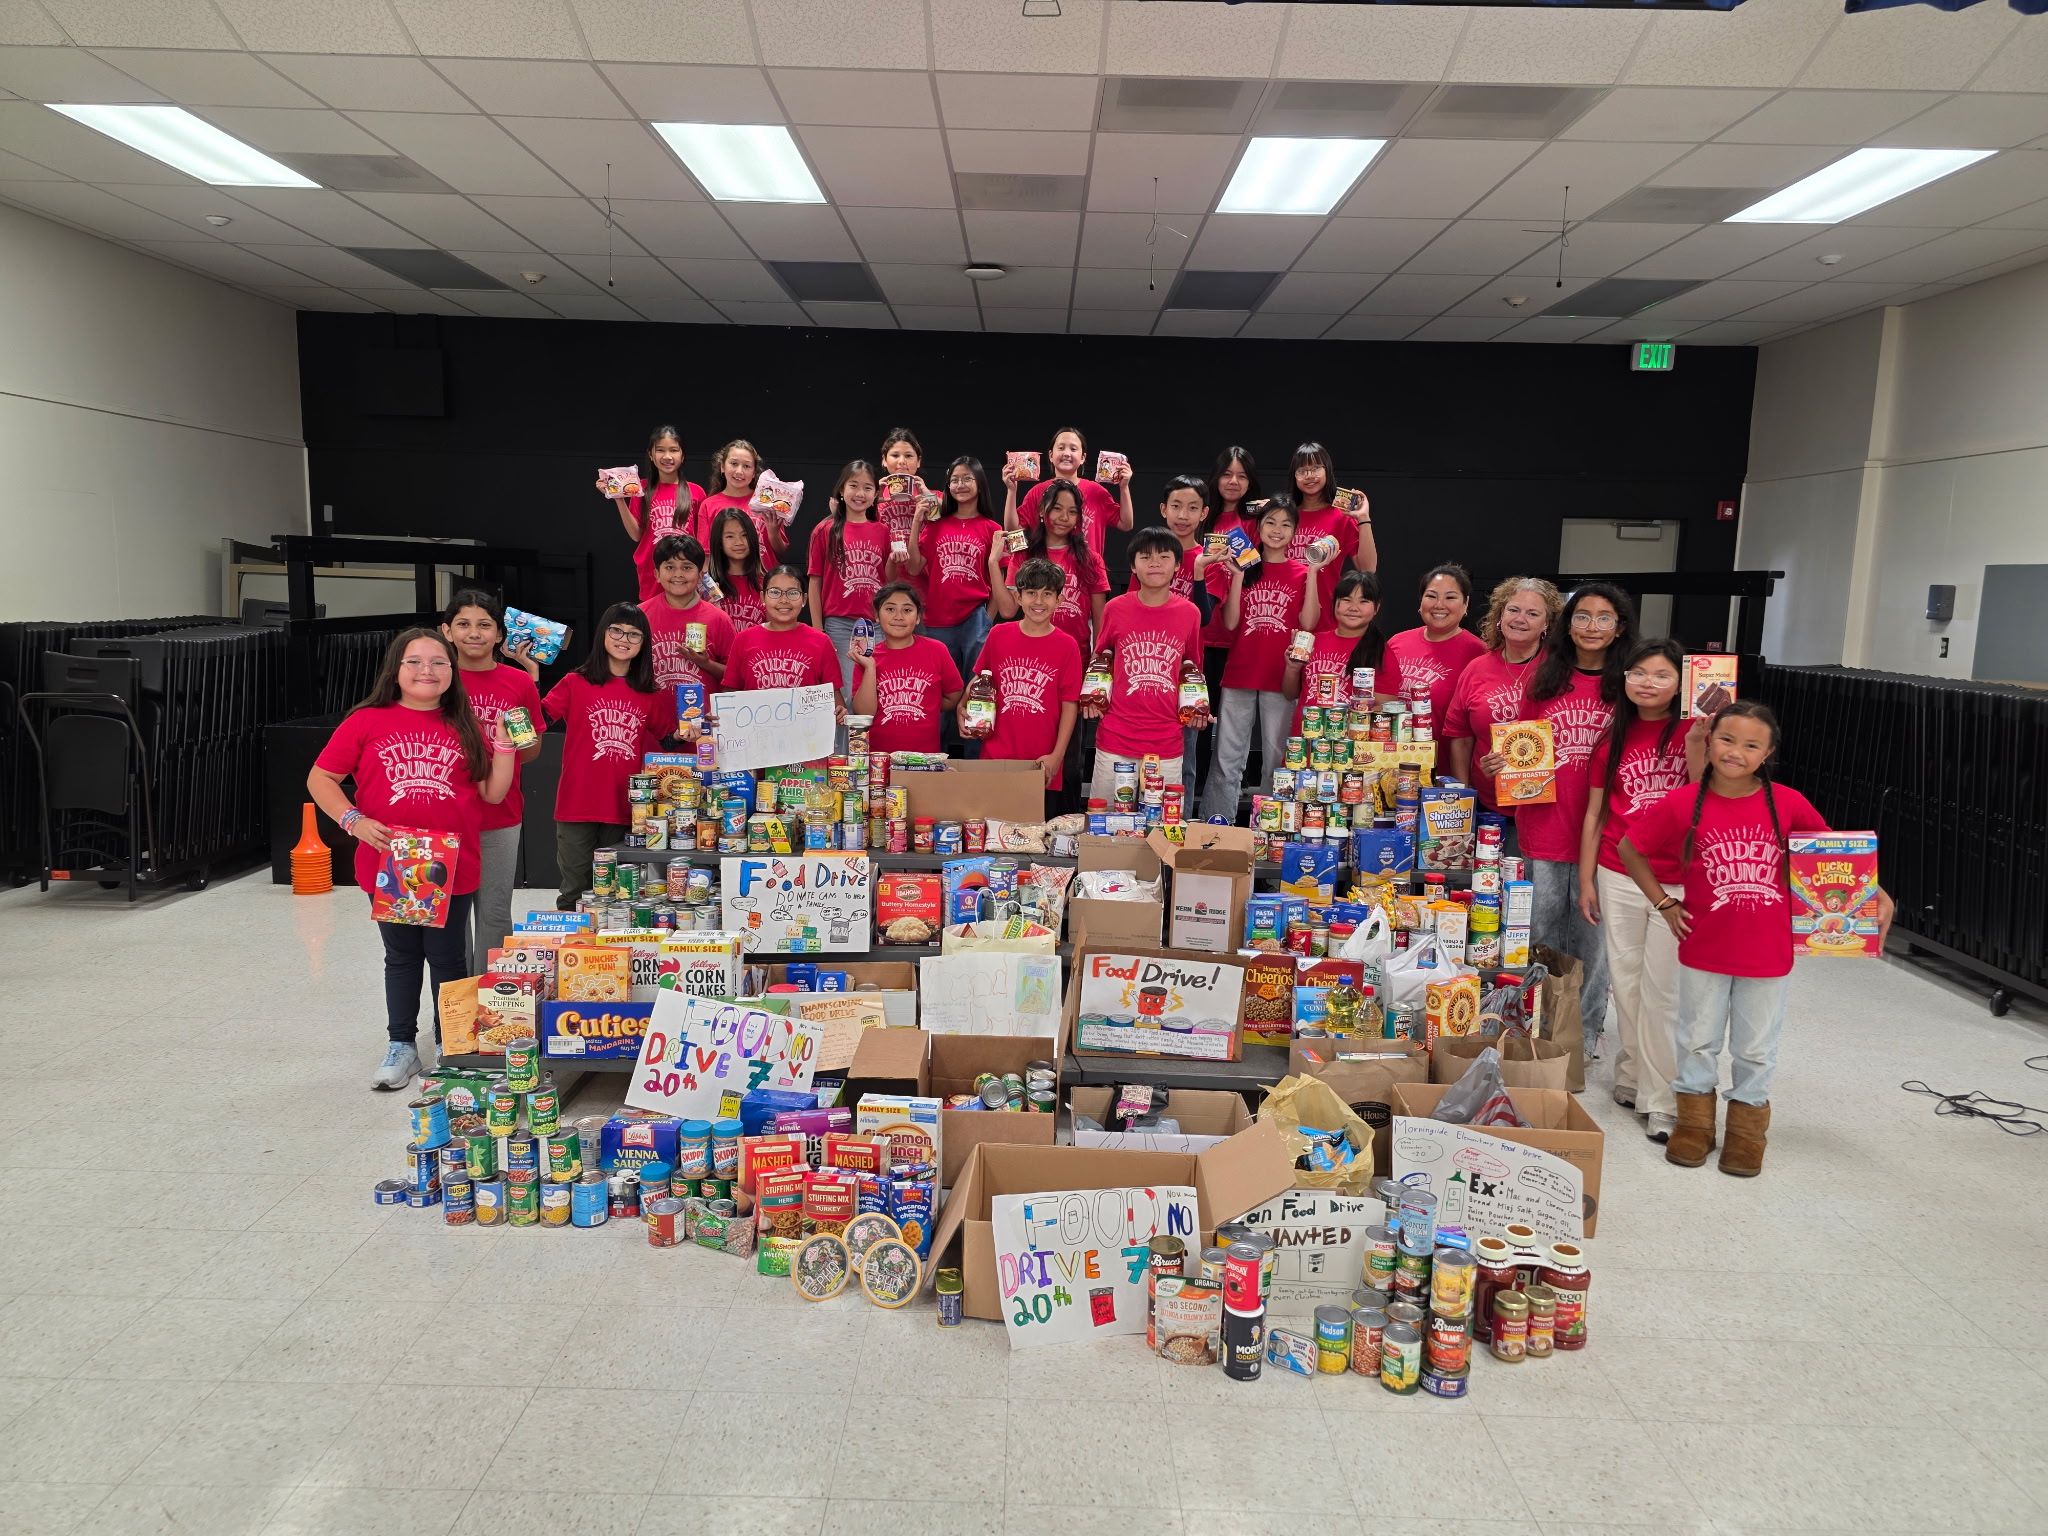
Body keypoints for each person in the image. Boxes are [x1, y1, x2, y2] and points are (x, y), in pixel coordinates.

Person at [1621, 701, 1893, 1177]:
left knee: (1755, 1047)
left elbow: (1835, 857)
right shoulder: (1683, 802)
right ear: (1709, 741)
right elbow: (1630, 847)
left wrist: (1877, 894)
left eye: (1751, 745)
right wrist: (1665, 904)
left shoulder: (1788, 803)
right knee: (1697, 1040)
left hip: (1768, 951)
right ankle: (1695, 1125)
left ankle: (1747, 1134)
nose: (1736, 752)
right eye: (1727, 740)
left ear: (1767, 753)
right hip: (1705, 946)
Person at [307, 628, 515, 1090]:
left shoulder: (467, 724)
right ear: (395, 670)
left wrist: (504, 747)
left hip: (449, 862)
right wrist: (353, 820)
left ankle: (451, 1042)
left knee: (448, 958)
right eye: (415, 661)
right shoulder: (366, 720)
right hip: (391, 862)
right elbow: (321, 778)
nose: (428, 670)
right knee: (400, 956)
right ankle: (402, 1045)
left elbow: (493, 793)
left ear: (452, 671)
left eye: (439, 662)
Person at [1580, 639, 1699, 1143]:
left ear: (1682, 684)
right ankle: (1631, 1074)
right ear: (1624, 680)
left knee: (1663, 994)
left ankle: (1663, 1101)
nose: (1648, 682)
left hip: (1678, 878)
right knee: (1625, 985)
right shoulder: (1612, 739)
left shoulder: (1699, 733)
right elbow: (1596, 814)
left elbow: (1706, 799)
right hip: (1618, 870)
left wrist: (1699, 748)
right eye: (1638, 673)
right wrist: (1586, 878)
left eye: (1662, 674)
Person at [1513, 583, 1636, 1060]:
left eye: (1604, 618)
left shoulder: (1630, 686)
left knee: (1594, 945)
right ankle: (1538, 1032)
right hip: (1543, 827)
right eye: (1581, 617)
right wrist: (1500, 765)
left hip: (1605, 838)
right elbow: (1518, 750)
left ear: (1620, 627)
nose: (1591, 627)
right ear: (1567, 624)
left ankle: (1582, 1040)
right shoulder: (1544, 679)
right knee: (1540, 937)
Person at [541, 604, 677, 911]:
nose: (624, 638)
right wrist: (527, 680)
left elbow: (669, 739)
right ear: (603, 633)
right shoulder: (575, 683)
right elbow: (540, 719)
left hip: (625, 807)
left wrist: (690, 732)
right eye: (616, 630)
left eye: (634, 634)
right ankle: (574, 956)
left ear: (644, 644)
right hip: (576, 804)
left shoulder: (649, 693)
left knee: (618, 894)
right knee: (575, 891)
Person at [438, 589, 543, 969]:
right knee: (449, 917)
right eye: (463, 624)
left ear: (500, 634)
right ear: (446, 631)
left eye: (485, 625)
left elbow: (531, 753)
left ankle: (492, 1000)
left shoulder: (518, 682)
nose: (474, 633)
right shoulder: (435, 680)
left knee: (495, 912)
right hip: (445, 815)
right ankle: (454, 1002)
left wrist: (512, 740)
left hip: (501, 813)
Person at [1201, 499, 1319, 824]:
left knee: (1276, 763)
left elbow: (1309, 623)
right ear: (1259, 527)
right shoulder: (1246, 566)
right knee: (1226, 760)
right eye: (1270, 522)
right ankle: (1216, 831)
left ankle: (1269, 835)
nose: (1277, 530)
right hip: (1239, 673)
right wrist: (1237, 576)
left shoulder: (1300, 571)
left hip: (1281, 677)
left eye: (1285, 524)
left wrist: (1312, 573)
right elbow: (1229, 624)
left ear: (1295, 531)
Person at [1081, 527, 1204, 806]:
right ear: (1132, 566)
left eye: (1164, 556)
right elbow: (1101, 660)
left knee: (1162, 829)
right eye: (1145, 557)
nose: (1155, 563)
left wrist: (1197, 709)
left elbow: (1192, 669)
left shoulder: (1190, 613)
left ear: (1177, 566)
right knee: (1105, 825)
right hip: (1116, 736)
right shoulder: (1115, 608)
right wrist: (1092, 698)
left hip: (1166, 740)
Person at [1440, 577, 1563, 819]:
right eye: (1513, 610)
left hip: (1548, 812)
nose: (1520, 619)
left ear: (1547, 623)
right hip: (1488, 809)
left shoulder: (1562, 669)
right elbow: (1460, 738)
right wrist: (1465, 802)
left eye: (1532, 613)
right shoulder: (1476, 669)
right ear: (1500, 616)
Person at [968, 557, 1081, 790]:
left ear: (1059, 600)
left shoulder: (1067, 645)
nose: (1038, 601)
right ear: (1018, 597)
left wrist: (1056, 757)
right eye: (1031, 593)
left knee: (1036, 827)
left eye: (1047, 594)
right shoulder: (998, 634)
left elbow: (1070, 705)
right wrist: (962, 707)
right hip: (995, 756)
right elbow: (980, 680)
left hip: (1041, 761)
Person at [907, 455, 1008, 681]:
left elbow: (998, 578)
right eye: (954, 480)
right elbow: (914, 568)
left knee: (974, 688)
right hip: (938, 619)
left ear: (980, 483)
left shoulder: (992, 528)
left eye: (967, 479)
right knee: (941, 689)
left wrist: (987, 618)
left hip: (975, 617)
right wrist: (916, 523)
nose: (960, 485)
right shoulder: (936, 525)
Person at [1197, 448, 1263, 778]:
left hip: (1243, 635)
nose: (1233, 482)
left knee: (1232, 727)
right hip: (1202, 635)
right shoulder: (1200, 515)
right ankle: (1189, 791)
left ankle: (1221, 794)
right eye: (1227, 474)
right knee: (1196, 716)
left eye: (1241, 475)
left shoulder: (1259, 521)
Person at [807, 459, 893, 694]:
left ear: (876, 494)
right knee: (845, 695)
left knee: (876, 692)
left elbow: (889, 581)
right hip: (839, 625)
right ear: (842, 491)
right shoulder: (824, 530)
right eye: (853, 485)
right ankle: (843, 734)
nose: (860, 493)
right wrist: (818, 630)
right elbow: (815, 582)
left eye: (868, 488)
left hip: (877, 625)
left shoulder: (883, 531)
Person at [854, 583, 964, 755]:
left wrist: (928, 703)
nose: (898, 616)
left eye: (907, 610)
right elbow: (864, 713)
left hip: (925, 759)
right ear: (876, 615)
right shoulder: (866, 656)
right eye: (890, 609)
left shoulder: (937, 650)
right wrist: (869, 667)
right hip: (880, 761)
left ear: (918, 617)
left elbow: (954, 694)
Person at [1005, 479, 1105, 662]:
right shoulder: (1023, 555)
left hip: (1076, 659)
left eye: (1072, 512)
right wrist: (992, 564)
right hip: (1030, 656)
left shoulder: (1092, 560)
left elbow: (1100, 618)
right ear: (1043, 511)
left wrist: (1095, 658)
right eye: (1057, 509)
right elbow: (1007, 611)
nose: (1064, 517)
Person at [605, 424, 705, 604]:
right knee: (654, 624)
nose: (667, 456)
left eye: (673, 450)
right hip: (652, 573)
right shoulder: (640, 489)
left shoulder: (696, 492)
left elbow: (703, 541)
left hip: (685, 572)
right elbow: (636, 535)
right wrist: (619, 498)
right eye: (660, 450)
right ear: (651, 454)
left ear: (682, 455)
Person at [1004, 426, 1134, 564]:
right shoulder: (1037, 492)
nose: (1067, 453)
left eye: (1073, 449)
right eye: (1061, 448)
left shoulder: (1097, 492)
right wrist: (1011, 491)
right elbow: (1013, 531)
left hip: (1088, 574)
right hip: (1046, 577)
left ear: (1083, 457)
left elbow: (1126, 524)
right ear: (1050, 455)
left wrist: (1124, 487)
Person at [723, 565, 847, 706]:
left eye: (792, 593)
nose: (784, 600)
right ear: (763, 597)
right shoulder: (743, 640)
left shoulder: (821, 641)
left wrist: (839, 712)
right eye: (775, 592)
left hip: (807, 727)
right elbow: (730, 693)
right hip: (756, 726)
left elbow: (834, 696)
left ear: (804, 599)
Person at [1381, 564, 1486, 724]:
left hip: (1441, 749)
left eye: (1450, 597)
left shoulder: (1478, 652)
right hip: (1391, 747)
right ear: (1421, 600)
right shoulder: (1397, 642)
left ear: (1466, 603)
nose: (1439, 604)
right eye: (1431, 596)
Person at [1283, 569, 1384, 735]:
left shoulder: (1381, 653)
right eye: (1346, 600)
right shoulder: (1313, 641)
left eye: (1363, 601)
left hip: (1348, 749)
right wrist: (1292, 669)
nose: (1353, 607)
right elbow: (1290, 694)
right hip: (1303, 746)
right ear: (1334, 603)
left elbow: (1383, 714)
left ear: (1376, 607)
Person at [1284, 442, 1376, 620]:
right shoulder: (1283, 515)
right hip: (1281, 613)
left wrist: (1363, 518)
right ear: (1294, 476)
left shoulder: (1341, 516)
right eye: (1302, 470)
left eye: (1316, 468)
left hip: (1324, 614)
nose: (1309, 476)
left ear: (1327, 470)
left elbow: (1368, 568)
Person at [640, 534, 733, 690]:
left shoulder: (719, 619)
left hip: (703, 713)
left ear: (700, 577)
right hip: (653, 713)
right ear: (657, 574)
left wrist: (706, 664)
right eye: (669, 567)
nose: (678, 574)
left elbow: (736, 676)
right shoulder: (640, 615)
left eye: (687, 567)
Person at [691, 439, 786, 559]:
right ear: (722, 467)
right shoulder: (708, 505)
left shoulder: (767, 502)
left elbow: (780, 551)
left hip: (764, 577)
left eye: (746, 466)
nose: (739, 471)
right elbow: (706, 554)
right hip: (723, 577)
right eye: (734, 464)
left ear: (754, 472)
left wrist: (773, 532)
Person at [875, 426, 933, 586]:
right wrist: (872, 499)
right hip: (882, 586)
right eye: (895, 455)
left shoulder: (932, 496)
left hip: (923, 586)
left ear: (918, 461)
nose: (902, 461)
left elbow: (941, 519)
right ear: (884, 460)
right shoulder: (872, 497)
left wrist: (927, 494)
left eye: (908, 455)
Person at [706, 507, 768, 634]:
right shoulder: (707, 585)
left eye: (744, 535)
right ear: (719, 542)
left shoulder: (767, 583)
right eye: (730, 536)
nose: (739, 542)